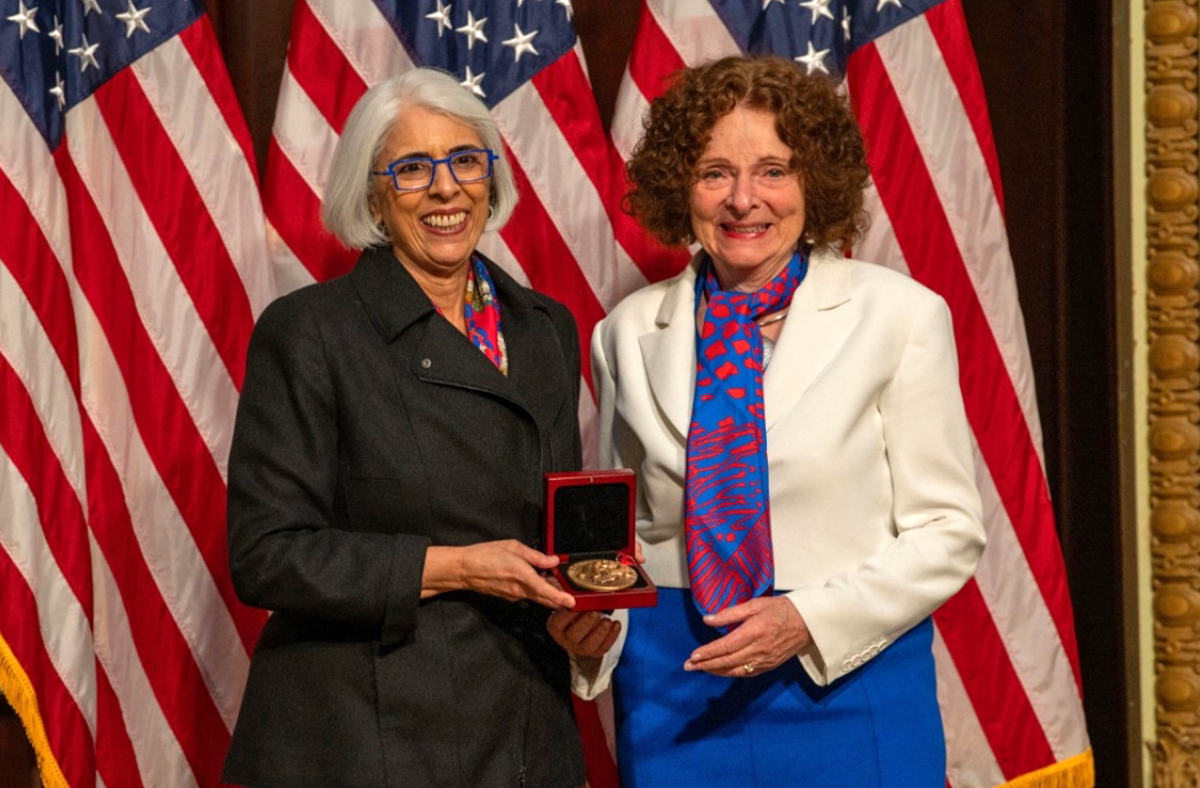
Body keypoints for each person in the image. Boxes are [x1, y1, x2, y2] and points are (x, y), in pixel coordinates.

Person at [549, 56, 987, 786]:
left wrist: (807, 620)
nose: (743, 199)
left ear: (813, 182)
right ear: (680, 186)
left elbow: (948, 531)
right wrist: (590, 635)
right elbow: (618, 538)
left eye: (773, 171)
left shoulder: (900, 316)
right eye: (715, 172)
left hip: (846, 678)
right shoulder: (624, 332)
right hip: (675, 688)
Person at [222, 69, 588, 788]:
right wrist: (454, 566)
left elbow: (563, 530)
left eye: (465, 161)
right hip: (365, 735)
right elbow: (266, 554)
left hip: (523, 728)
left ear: (492, 178)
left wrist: (587, 622)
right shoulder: (310, 332)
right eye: (414, 169)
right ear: (373, 197)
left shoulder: (546, 329)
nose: (446, 188)